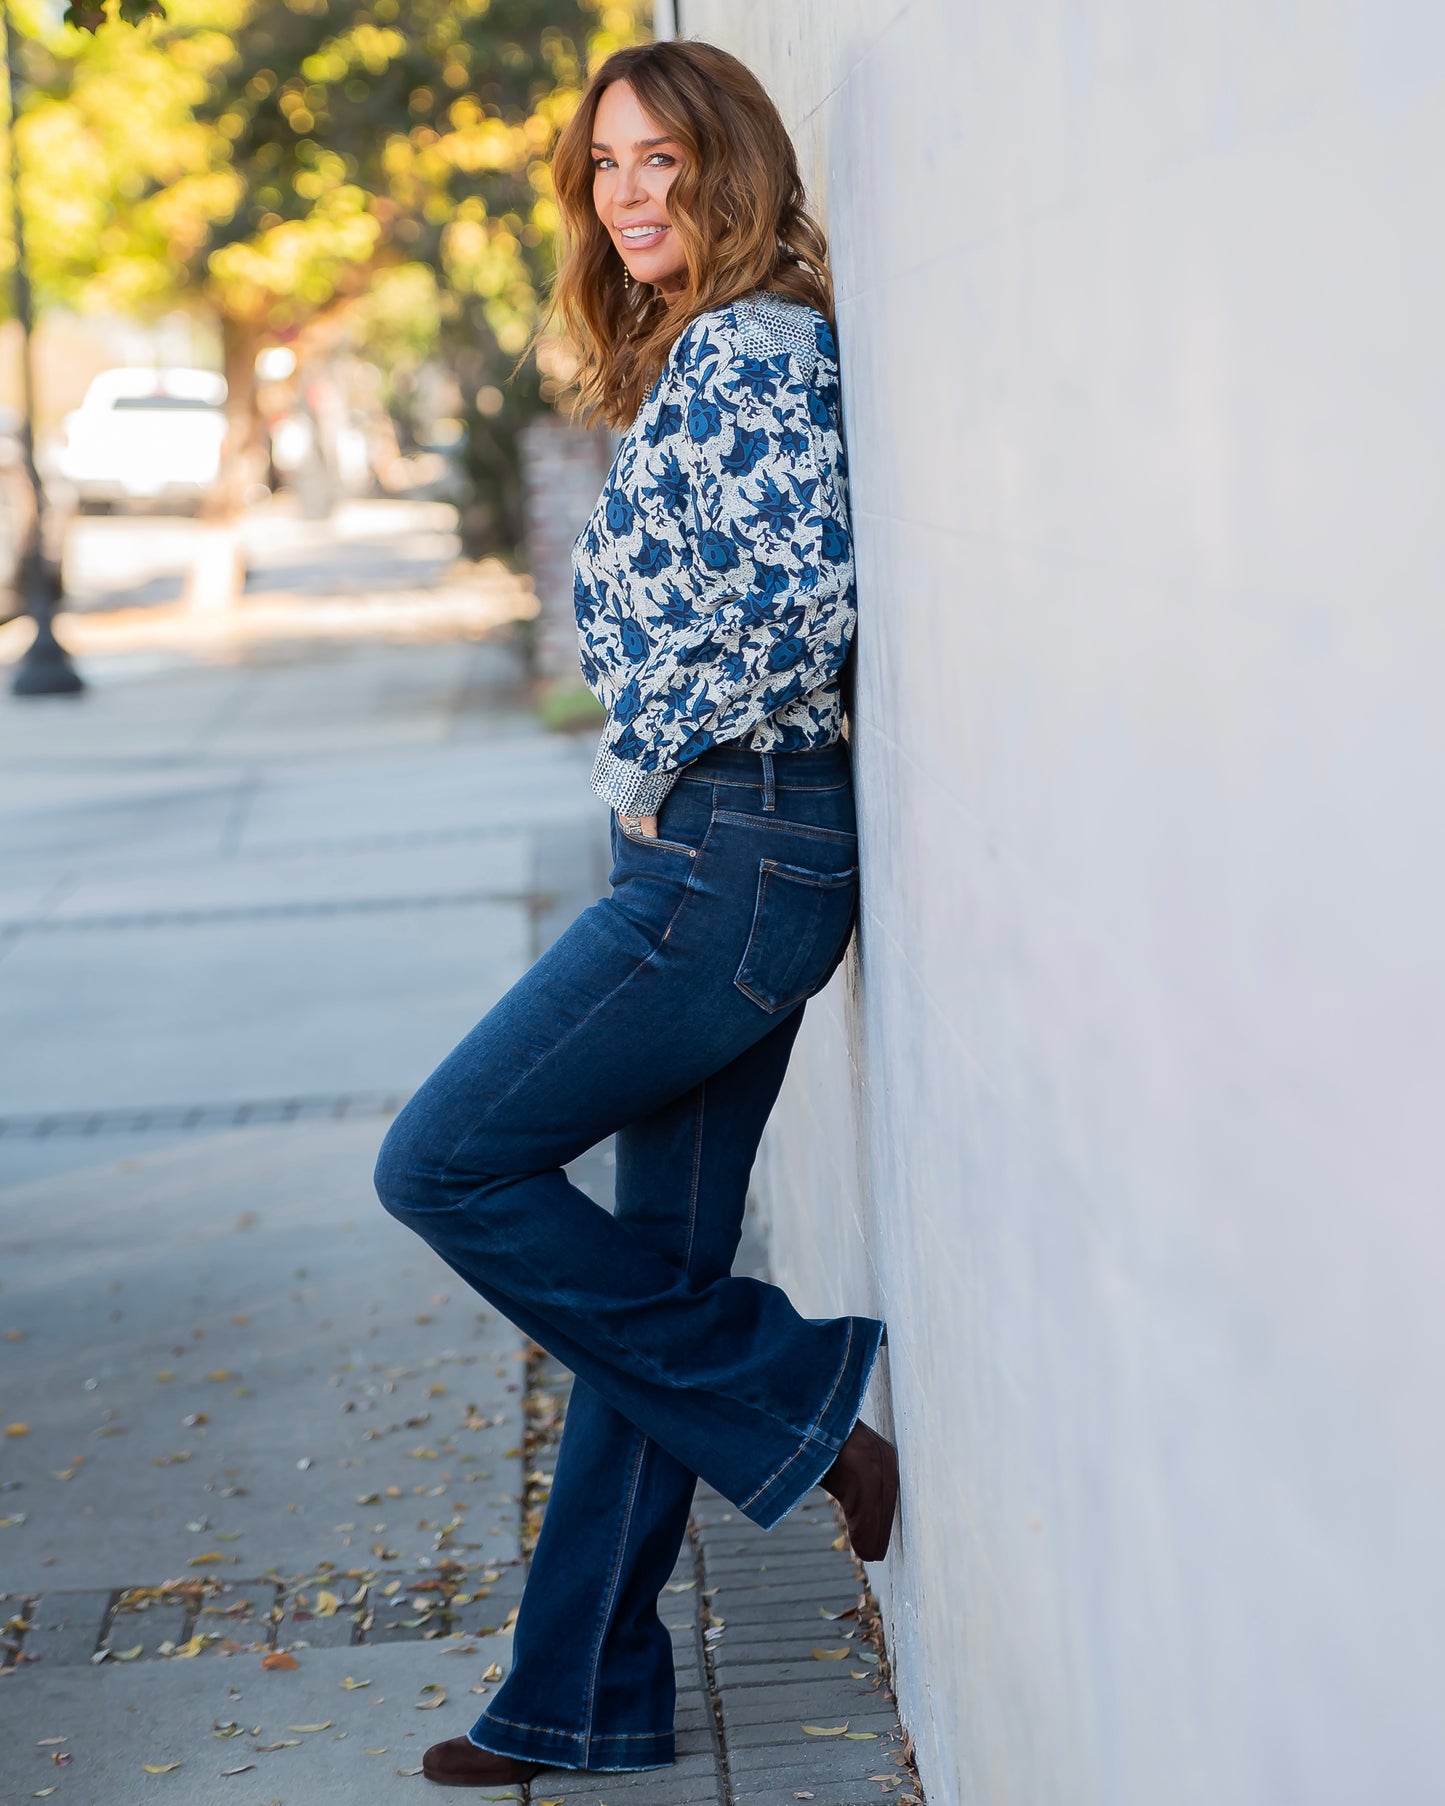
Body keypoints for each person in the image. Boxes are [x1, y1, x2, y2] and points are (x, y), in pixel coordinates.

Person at [374, 37, 899, 1791]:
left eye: (665, 157)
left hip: (727, 852)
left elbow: (805, 602)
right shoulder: (701, 351)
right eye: (607, 165)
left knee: (442, 1164)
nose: (634, 192)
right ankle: (578, 1694)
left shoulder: (751, 348)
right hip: (721, 852)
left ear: (730, 163)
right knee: (640, 1279)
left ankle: (792, 1395)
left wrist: (656, 744)